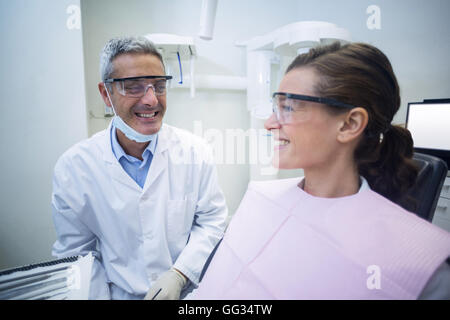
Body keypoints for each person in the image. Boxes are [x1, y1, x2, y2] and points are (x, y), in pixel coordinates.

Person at [187, 42, 450, 299]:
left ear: (349, 124)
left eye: (288, 108)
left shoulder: (421, 268)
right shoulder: (262, 196)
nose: (269, 124)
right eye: (275, 107)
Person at [51, 36, 228, 300]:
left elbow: (213, 223)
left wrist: (179, 274)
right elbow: (78, 257)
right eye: (133, 87)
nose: (151, 100)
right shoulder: (75, 168)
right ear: (106, 94)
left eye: (158, 86)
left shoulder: (194, 151)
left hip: (188, 294)